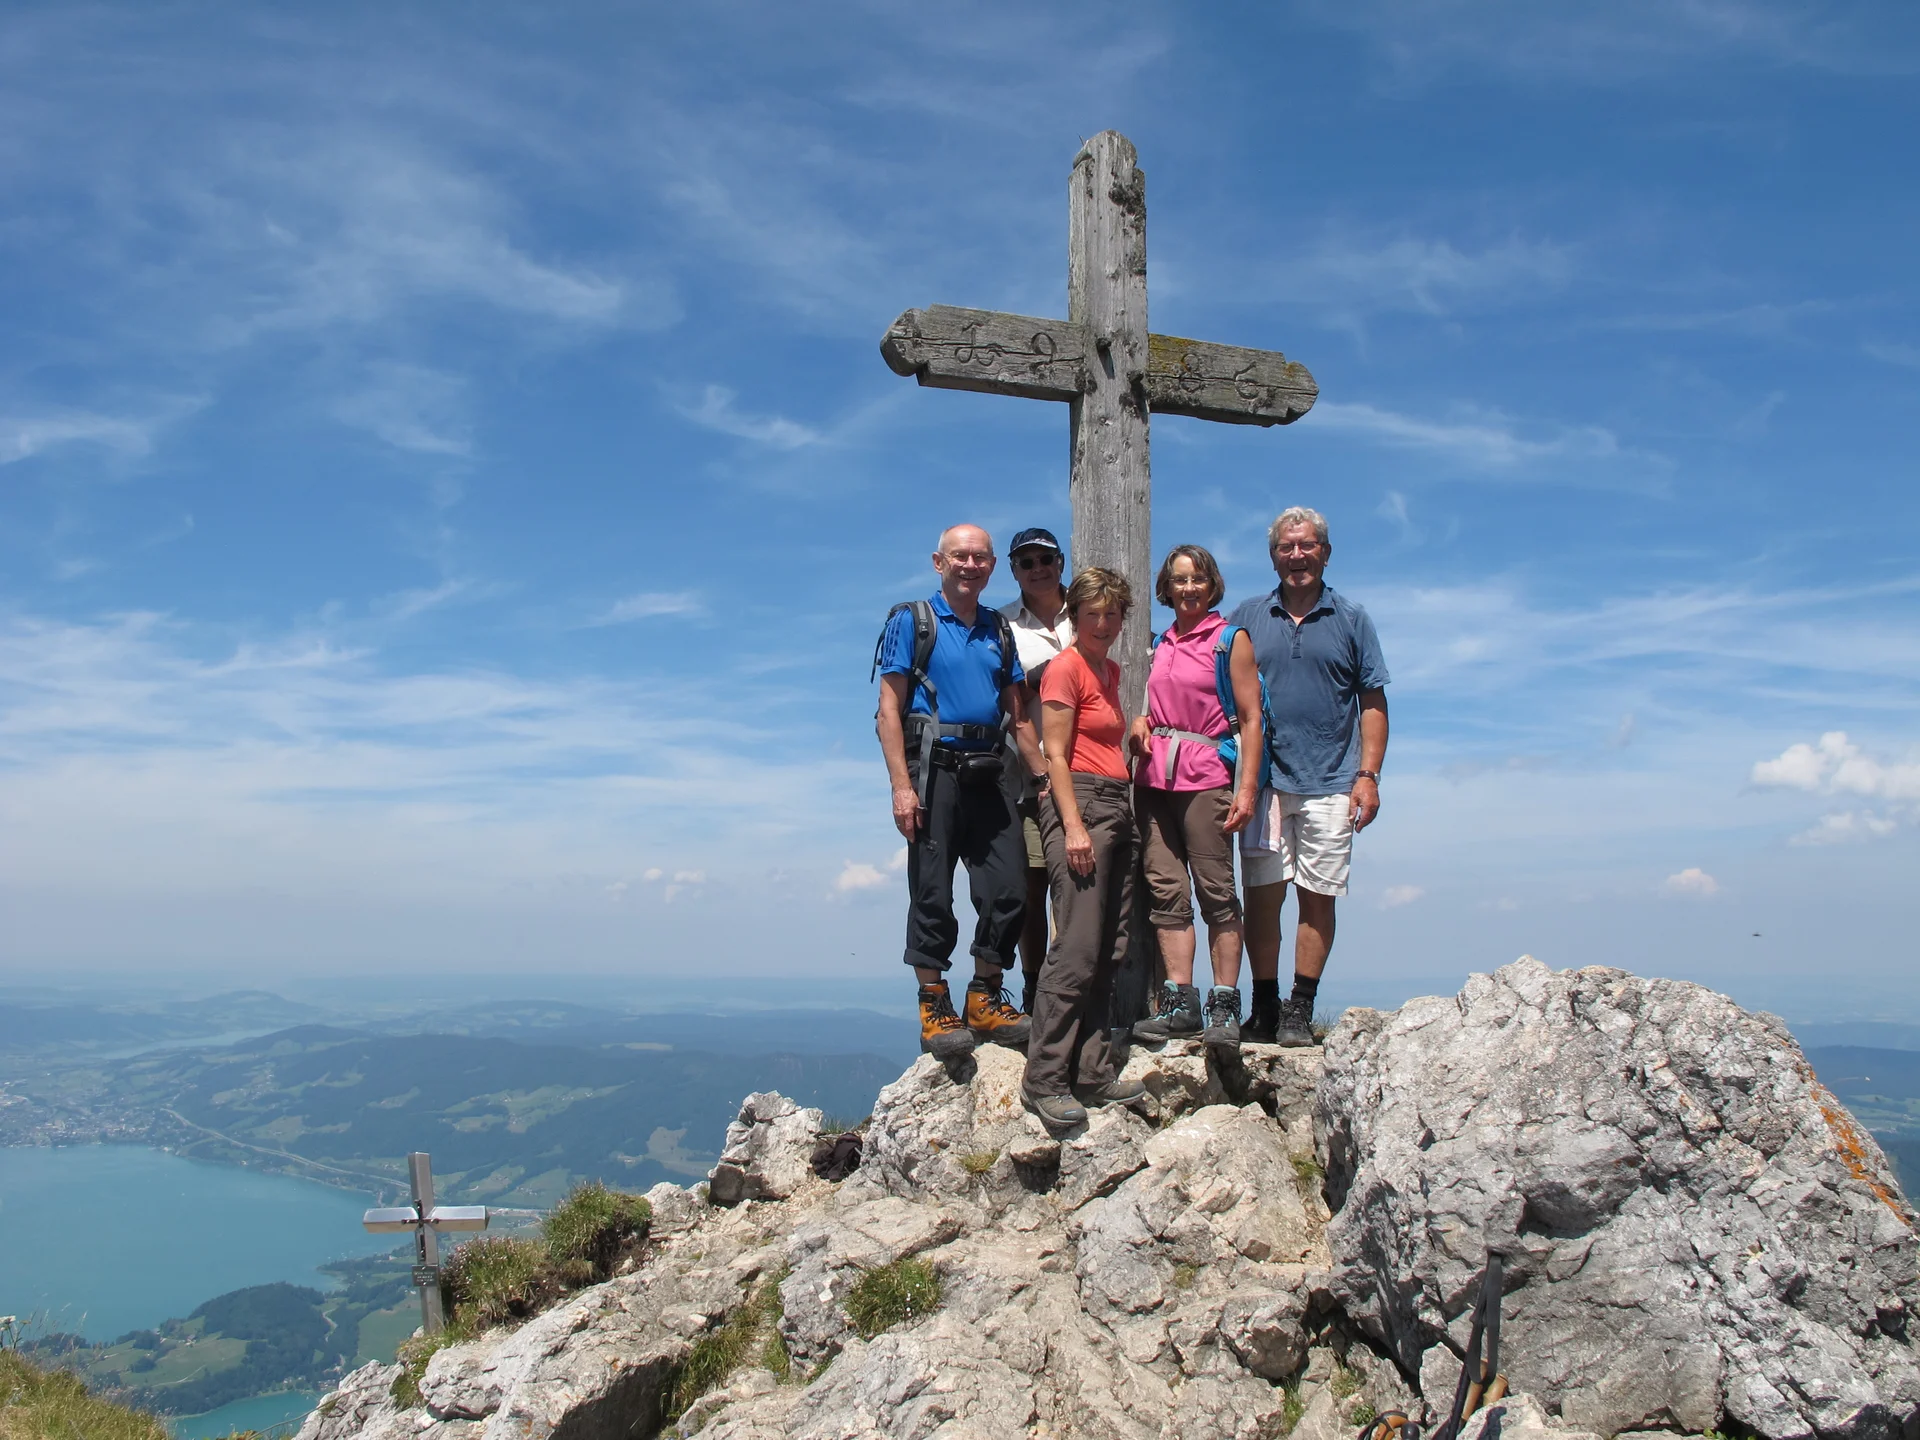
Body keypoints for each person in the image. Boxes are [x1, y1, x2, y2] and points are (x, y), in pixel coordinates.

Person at [876, 525, 1046, 1059]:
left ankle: (985, 997)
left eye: (980, 558)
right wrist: (902, 788)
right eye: (960, 557)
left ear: (992, 565)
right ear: (938, 562)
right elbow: (888, 712)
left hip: (988, 766)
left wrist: (1042, 780)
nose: (970, 565)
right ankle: (934, 1003)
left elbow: (1018, 717)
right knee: (932, 889)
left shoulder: (998, 628)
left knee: (1010, 884)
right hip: (932, 768)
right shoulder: (913, 621)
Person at [1230, 507, 1389, 1047]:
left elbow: (1373, 700)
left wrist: (1368, 775)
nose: (1296, 556)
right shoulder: (1246, 617)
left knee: (1318, 897)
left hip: (1332, 781)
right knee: (1263, 897)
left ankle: (1300, 1009)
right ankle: (1265, 1008)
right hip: (1264, 783)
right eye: (1286, 547)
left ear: (1325, 551)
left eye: (1306, 546)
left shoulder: (1351, 618)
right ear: (1273, 555)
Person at [1023, 567, 1150, 1134]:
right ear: (1075, 615)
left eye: (1112, 613)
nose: (1102, 623)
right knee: (1075, 946)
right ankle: (1045, 1079)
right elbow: (1055, 754)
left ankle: (1093, 1071)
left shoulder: (1111, 670)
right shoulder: (1065, 668)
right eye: (1092, 612)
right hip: (1081, 807)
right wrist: (1072, 827)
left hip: (1115, 804)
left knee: (1111, 946)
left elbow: (1103, 739)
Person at [1127, 545, 1263, 1049]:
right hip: (1155, 780)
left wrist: (1245, 789)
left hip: (1207, 776)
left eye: (1197, 579)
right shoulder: (1160, 644)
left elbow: (1251, 719)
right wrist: (1142, 720)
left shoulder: (1229, 640)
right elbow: (1154, 703)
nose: (1188, 589)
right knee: (1165, 887)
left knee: (1215, 888)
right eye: (1179, 580)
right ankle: (1179, 1002)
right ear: (1167, 587)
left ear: (1212, 585)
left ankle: (1224, 1005)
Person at [1003, 527, 1074, 1014]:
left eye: (1044, 558)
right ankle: (1034, 988)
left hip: (1095, 765)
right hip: (1029, 773)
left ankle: (1072, 984)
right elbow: (1001, 697)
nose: (1036, 568)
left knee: (1081, 884)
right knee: (1033, 882)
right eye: (1025, 562)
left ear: (1060, 561)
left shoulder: (1090, 606)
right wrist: (1039, 673)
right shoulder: (1003, 625)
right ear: (1014, 571)